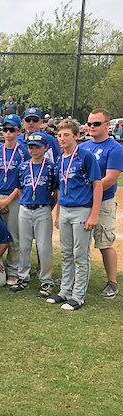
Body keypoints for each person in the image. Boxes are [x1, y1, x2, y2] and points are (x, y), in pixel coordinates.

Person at [47, 119, 102, 311]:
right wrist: (58, 214)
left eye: (66, 135)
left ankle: (78, 296)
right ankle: (65, 291)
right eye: (59, 135)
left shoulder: (86, 157)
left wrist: (94, 214)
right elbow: (61, 189)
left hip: (82, 209)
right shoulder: (60, 160)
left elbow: (97, 185)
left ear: (76, 136)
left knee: (80, 254)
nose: (62, 139)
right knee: (66, 253)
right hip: (65, 210)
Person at [80, 108, 123, 298]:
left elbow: (110, 179)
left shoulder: (115, 148)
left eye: (96, 124)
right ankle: (76, 278)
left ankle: (112, 282)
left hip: (104, 201)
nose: (91, 127)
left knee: (104, 242)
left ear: (107, 125)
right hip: (83, 202)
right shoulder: (83, 147)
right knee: (79, 243)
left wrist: (84, 190)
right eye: (89, 123)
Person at [10, 133, 58, 297]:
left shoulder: (51, 166)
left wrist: (48, 207)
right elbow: (20, 188)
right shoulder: (23, 167)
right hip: (25, 208)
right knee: (24, 245)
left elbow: (55, 191)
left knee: (43, 247)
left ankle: (46, 281)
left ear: (45, 148)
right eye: (31, 147)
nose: (34, 150)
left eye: (37, 147)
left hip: (43, 208)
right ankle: (23, 277)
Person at [0, 116, 30, 285]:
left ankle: (13, 271)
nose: (8, 133)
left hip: (14, 198)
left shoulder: (23, 152)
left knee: (14, 236)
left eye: (12, 130)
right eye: (5, 130)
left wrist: (7, 200)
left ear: (19, 131)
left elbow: (25, 179)